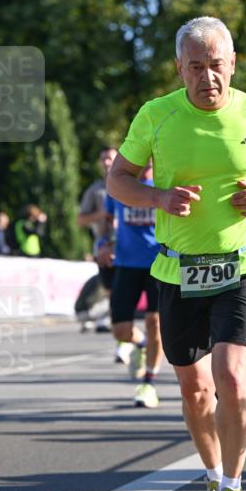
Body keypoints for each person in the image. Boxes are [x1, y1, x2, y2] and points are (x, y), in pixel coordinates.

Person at [108, 16, 246, 491]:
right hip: (177, 268)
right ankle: (214, 479)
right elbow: (117, 178)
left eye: (216, 65)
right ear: (180, 68)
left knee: (232, 377)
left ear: (232, 64)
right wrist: (157, 198)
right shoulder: (156, 115)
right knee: (196, 393)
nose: (208, 77)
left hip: (242, 263)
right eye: (196, 67)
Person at [102, 160, 163, 408]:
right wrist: (102, 243)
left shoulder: (164, 183)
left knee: (155, 322)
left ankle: (148, 383)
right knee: (120, 331)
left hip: (159, 263)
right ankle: (141, 345)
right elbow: (106, 220)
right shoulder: (120, 183)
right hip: (126, 264)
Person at [77, 148, 118, 334]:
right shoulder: (95, 190)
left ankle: (130, 337)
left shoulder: (133, 185)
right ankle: (113, 321)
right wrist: (102, 213)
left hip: (130, 247)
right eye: (103, 159)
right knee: (111, 289)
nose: (106, 162)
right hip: (104, 246)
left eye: (110, 158)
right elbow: (80, 220)